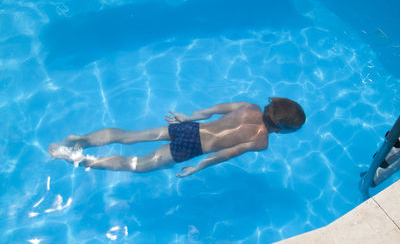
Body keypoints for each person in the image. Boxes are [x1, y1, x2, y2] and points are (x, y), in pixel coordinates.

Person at [48, 97, 306, 177]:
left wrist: (187, 117)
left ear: (271, 107)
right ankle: (74, 157)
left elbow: (213, 110)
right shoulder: (261, 141)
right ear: (282, 129)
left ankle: (79, 138)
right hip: (191, 149)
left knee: (130, 136)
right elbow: (227, 153)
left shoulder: (248, 107)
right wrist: (198, 166)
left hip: (189, 129)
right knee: (137, 165)